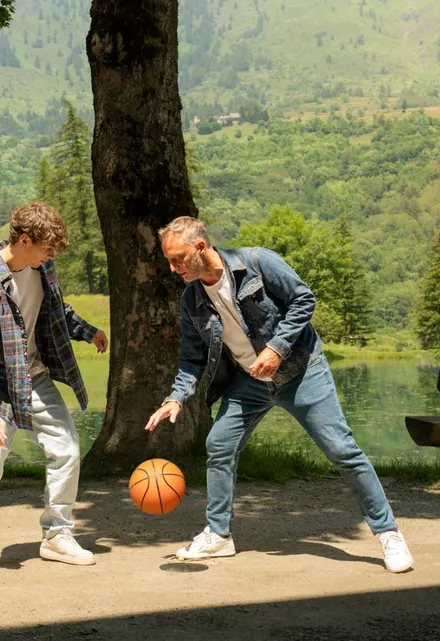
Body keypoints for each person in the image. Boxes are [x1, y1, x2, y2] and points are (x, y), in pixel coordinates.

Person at [145, 216, 414, 573]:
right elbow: (192, 356)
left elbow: (304, 299)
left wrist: (277, 348)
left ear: (200, 247)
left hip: (301, 372)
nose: (172, 267)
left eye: (177, 258)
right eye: (169, 260)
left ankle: (388, 533)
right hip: (250, 382)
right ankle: (219, 535)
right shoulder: (191, 300)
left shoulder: (257, 262)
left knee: (342, 451)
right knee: (219, 444)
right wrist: (176, 397)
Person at [0, 202, 108, 574]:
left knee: (68, 449)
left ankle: (56, 535)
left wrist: (88, 331)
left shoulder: (42, 267)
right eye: (47, 247)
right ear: (24, 240)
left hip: (35, 375)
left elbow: (57, 308)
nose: (51, 254)